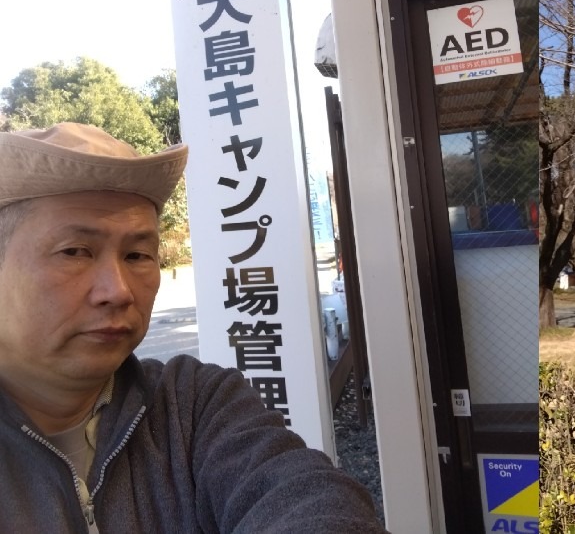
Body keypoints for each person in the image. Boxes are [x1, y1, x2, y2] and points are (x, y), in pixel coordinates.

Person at [0, 122, 389, 533]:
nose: (118, 291)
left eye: (137, 255)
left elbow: (308, 498)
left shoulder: (193, 407)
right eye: (75, 251)